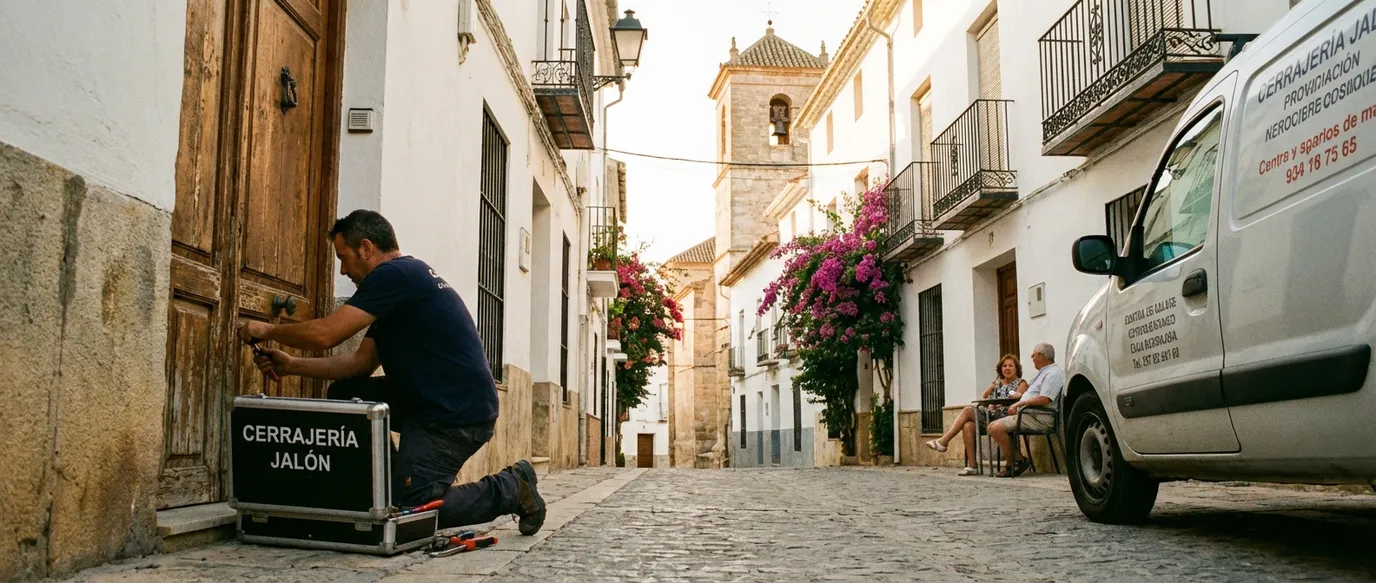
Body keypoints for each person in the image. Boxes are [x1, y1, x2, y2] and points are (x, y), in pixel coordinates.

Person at [236, 210, 545, 534]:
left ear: (366, 248)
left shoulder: (395, 275)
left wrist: (267, 329)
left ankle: (512, 486)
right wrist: (292, 366)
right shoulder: (399, 284)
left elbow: (326, 335)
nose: (343, 270)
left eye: (343, 257)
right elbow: (360, 364)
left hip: (456, 415)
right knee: (345, 394)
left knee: (407, 513)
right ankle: (389, 484)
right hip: (426, 402)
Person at [924, 354, 1028, 475]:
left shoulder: (1021, 383)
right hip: (991, 415)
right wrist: (992, 390)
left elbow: (1019, 398)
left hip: (1006, 417)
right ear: (1000, 369)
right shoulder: (997, 383)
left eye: (1011, 365)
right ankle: (972, 466)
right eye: (1004, 366)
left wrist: (1007, 399)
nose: (1007, 368)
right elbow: (984, 396)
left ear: (1017, 368)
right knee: (968, 425)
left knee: (968, 410)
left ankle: (944, 441)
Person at [990, 342, 1065, 478]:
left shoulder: (1053, 373)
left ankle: (1016, 461)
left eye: (1034, 355)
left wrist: (1019, 403)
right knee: (995, 425)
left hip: (1039, 418)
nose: (1032, 357)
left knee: (995, 428)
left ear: (1041, 356)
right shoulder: (1043, 373)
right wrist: (1021, 399)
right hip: (1029, 415)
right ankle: (1017, 460)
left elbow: (1045, 398)